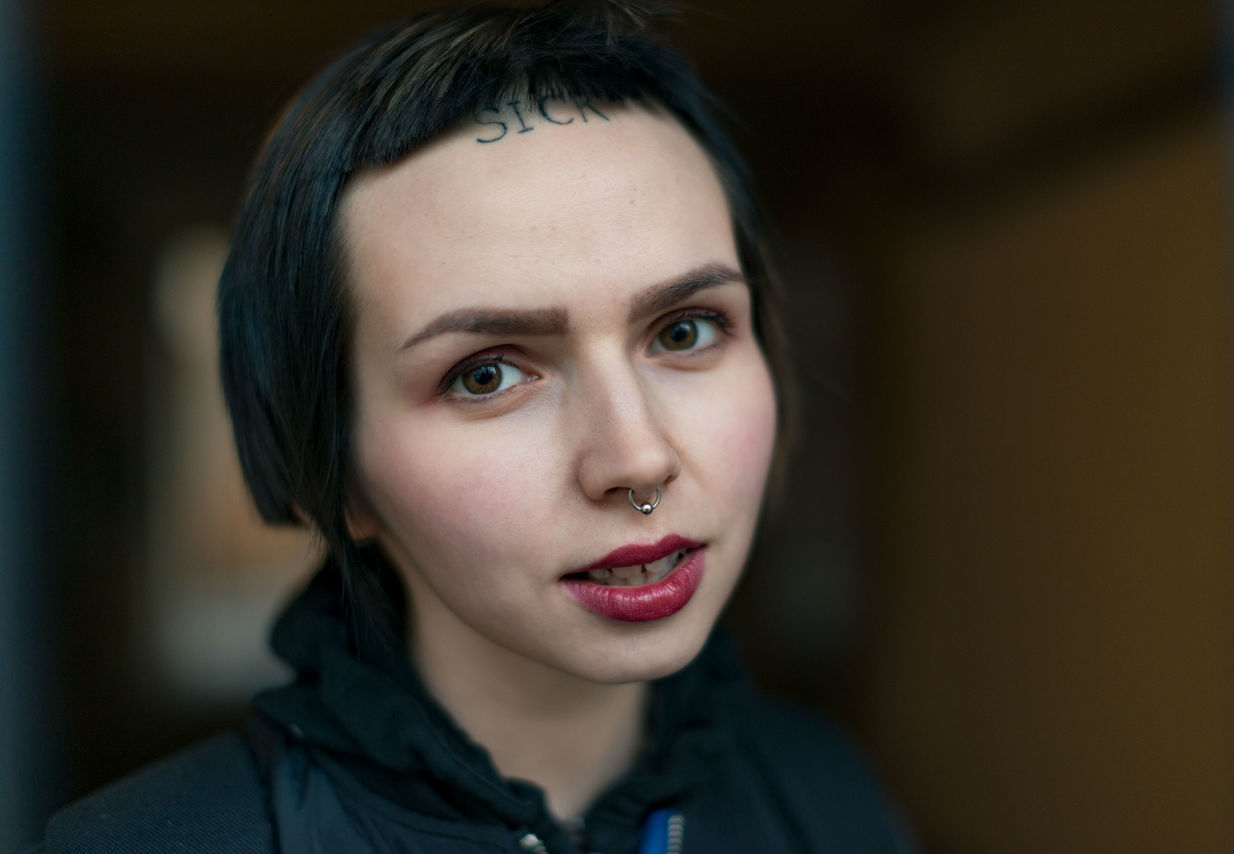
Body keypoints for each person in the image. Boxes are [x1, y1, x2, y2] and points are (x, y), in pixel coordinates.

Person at [25, 2, 914, 851]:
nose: (637, 457)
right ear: (328, 472)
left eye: (684, 330)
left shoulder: (828, 798)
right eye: (487, 375)